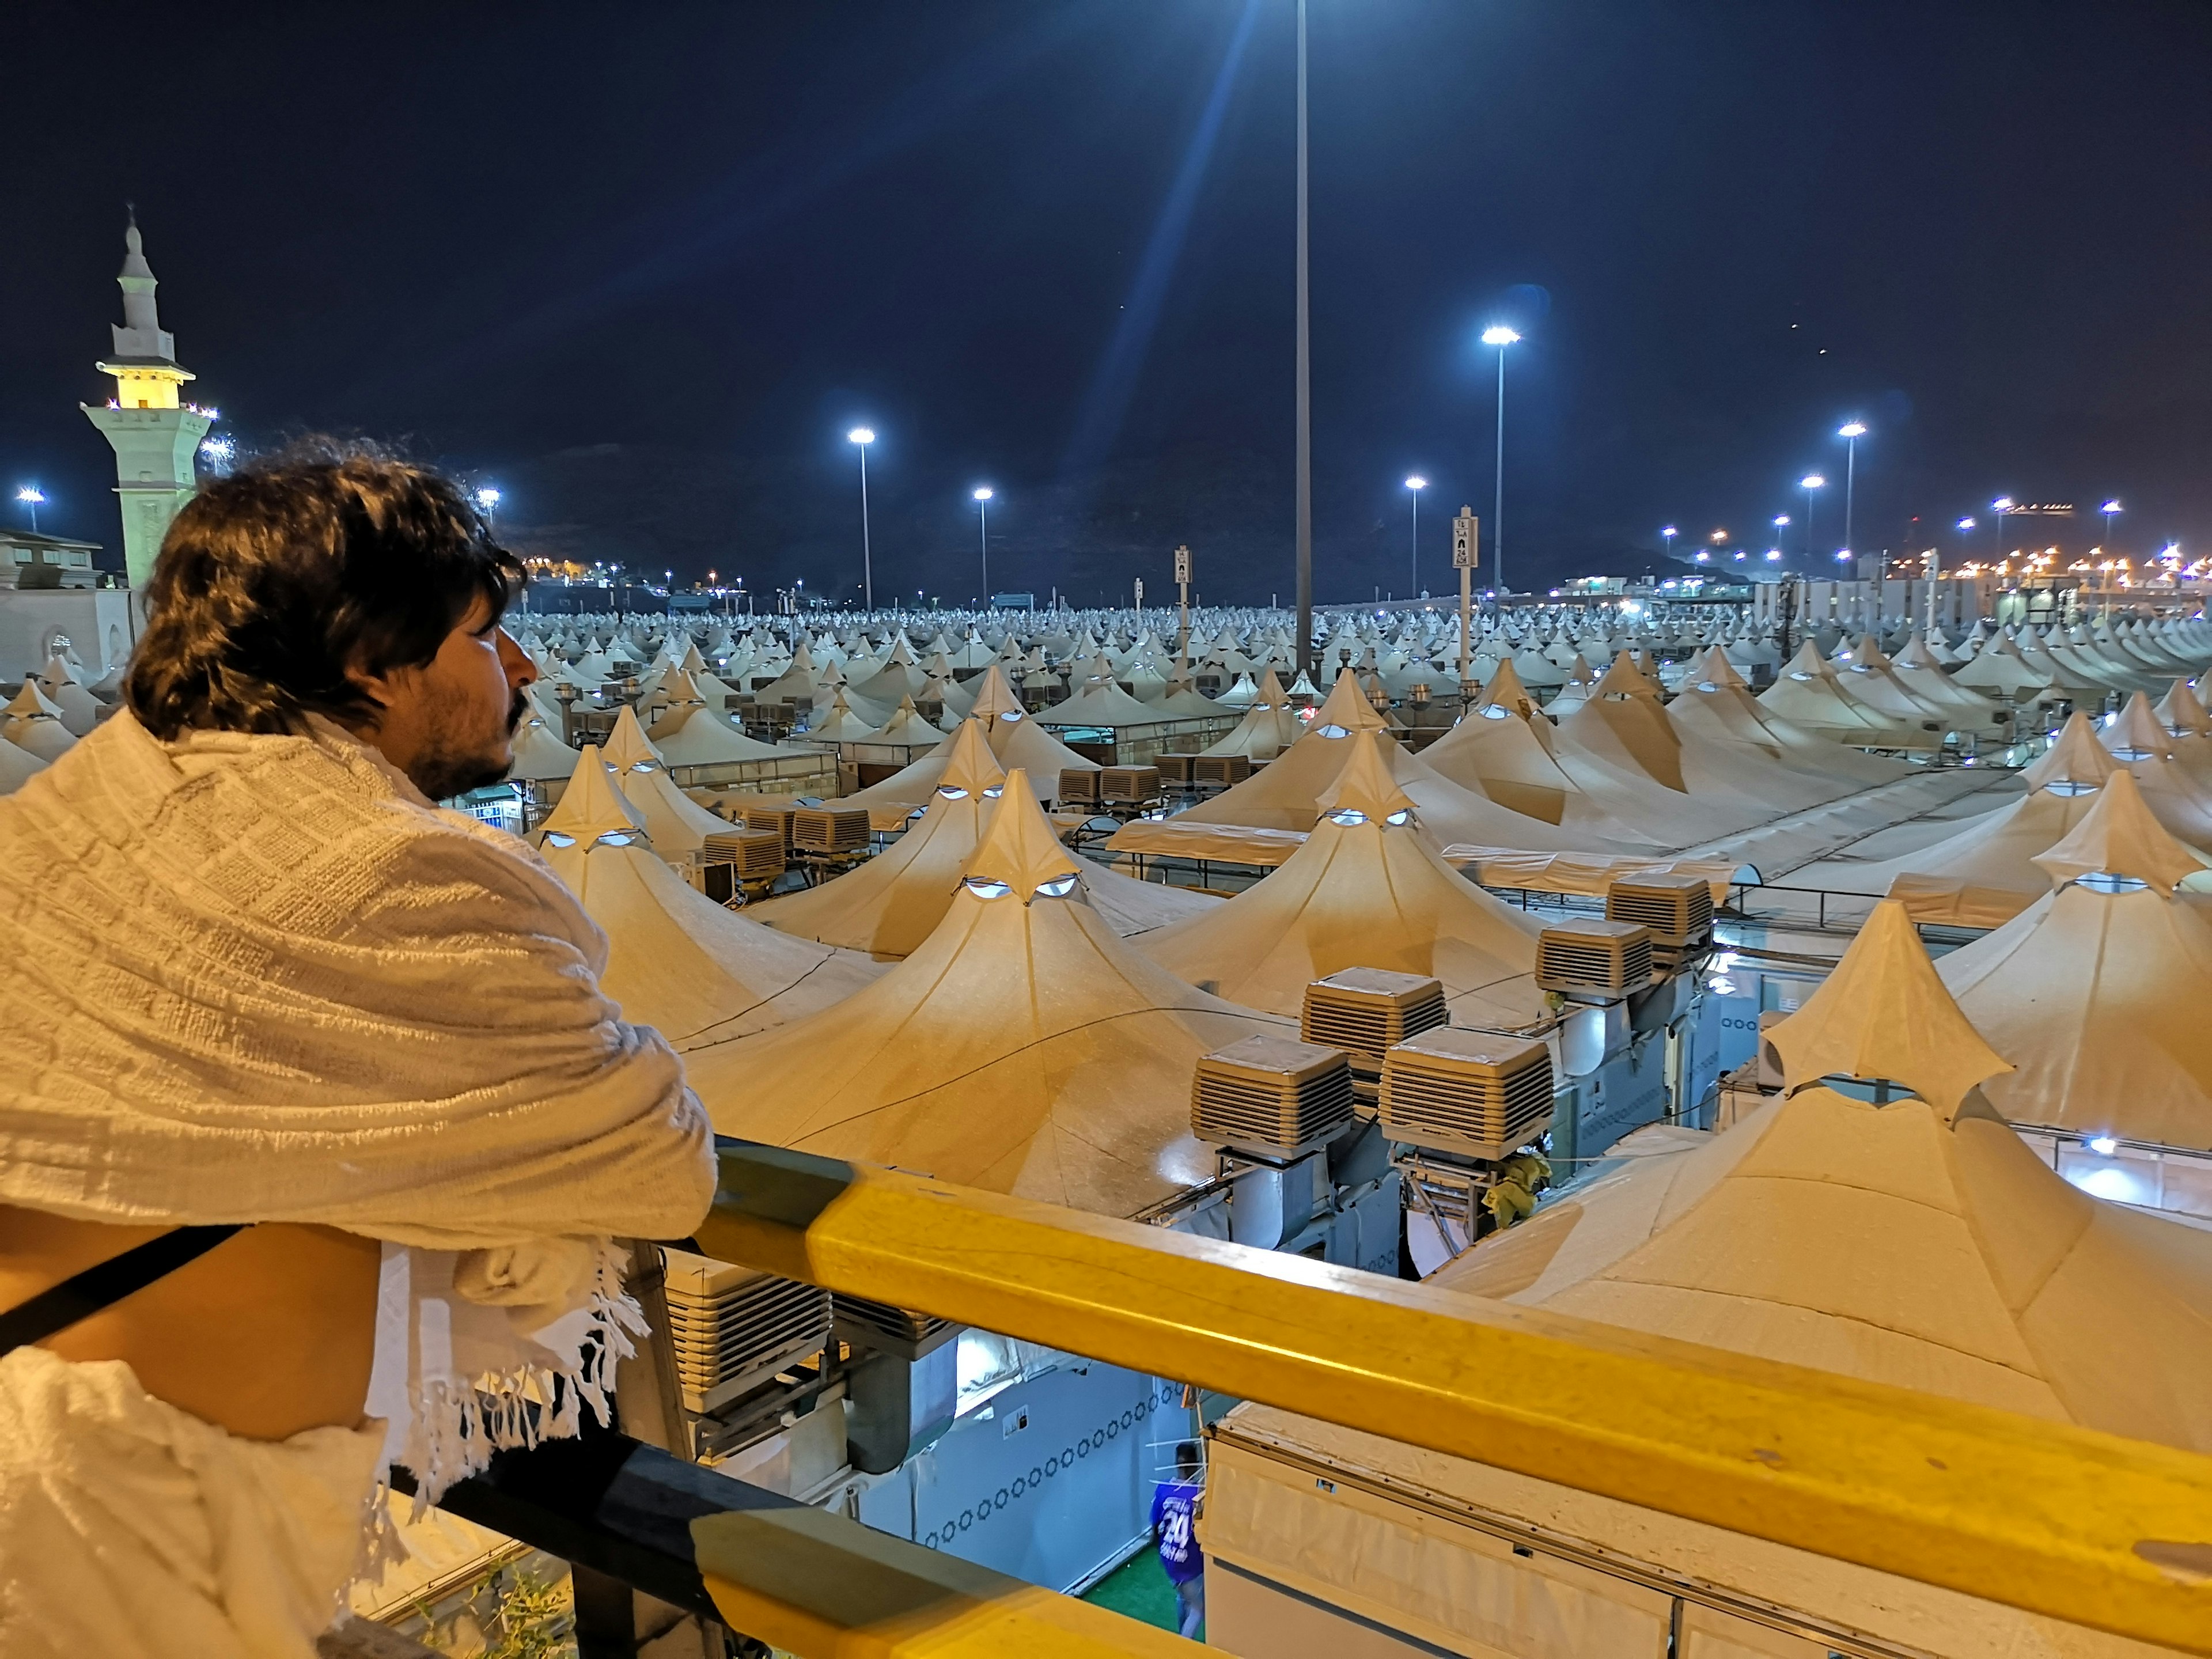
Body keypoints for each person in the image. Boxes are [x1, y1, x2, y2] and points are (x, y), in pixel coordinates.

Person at [0, 444, 717, 1658]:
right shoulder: (396, 872)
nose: (524, 666)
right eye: (486, 636)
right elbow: (660, 1164)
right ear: (366, 661)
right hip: (123, 1535)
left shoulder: (81, 811)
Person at [1150, 1438, 1206, 1639]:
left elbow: (1155, 1527)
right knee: (1198, 1609)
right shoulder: (1198, 1495)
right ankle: (1183, 1647)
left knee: (1184, 1597)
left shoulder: (1163, 1488)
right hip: (1189, 1562)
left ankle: (1180, 1633)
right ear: (1195, 1463)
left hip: (1168, 1556)